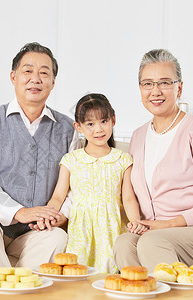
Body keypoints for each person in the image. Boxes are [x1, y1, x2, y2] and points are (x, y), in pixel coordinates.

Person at [0, 42, 80, 267]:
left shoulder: (68, 128)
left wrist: (61, 215)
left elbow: (75, 184)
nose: (36, 79)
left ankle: (20, 286)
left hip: (32, 232)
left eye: (44, 73)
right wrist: (19, 212)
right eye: (28, 71)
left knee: (57, 237)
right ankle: (1, 288)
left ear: (53, 82)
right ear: (14, 77)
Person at [113, 49, 193, 271]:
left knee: (153, 241)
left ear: (179, 88)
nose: (155, 91)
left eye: (165, 83)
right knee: (123, 243)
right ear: (140, 89)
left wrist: (167, 225)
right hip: (157, 231)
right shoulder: (138, 135)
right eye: (147, 84)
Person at [32, 93, 147, 273]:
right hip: (81, 228)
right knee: (79, 275)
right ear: (78, 127)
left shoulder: (123, 160)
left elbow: (129, 198)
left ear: (113, 120)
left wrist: (136, 222)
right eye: (90, 124)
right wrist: (46, 216)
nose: (98, 129)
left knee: (110, 276)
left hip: (111, 227)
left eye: (103, 121)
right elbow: (58, 196)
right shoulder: (71, 160)